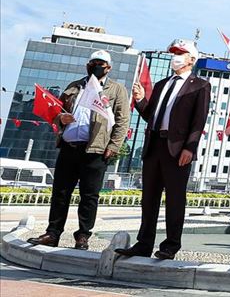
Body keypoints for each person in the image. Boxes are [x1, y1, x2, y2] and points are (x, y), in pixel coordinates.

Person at [116, 40, 210, 260]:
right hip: (154, 145)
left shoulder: (200, 85)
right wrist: (140, 100)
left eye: (180, 53)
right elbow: (151, 115)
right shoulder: (161, 84)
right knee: (149, 198)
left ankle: (170, 245)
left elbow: (199, 120)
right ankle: (144, 243)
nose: (175, 57)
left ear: (192, 59)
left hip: (177, 148)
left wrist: (190, 148)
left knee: (175, 199)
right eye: (174, 53)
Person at [27, 50, 130, 251]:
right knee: (60, 192)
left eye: (100, 63)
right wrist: (60, 118)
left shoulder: (116, 90)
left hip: (95, 150)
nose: (95, 66)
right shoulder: (74, 86)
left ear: (108, 68)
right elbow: (57, 112)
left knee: (89, 196)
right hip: (69, 147)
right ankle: (52, 233)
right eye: (92, 63)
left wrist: (113, 146)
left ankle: (83, 236)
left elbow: (122, 120)